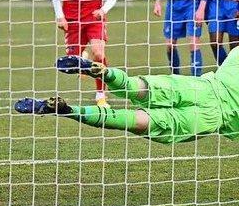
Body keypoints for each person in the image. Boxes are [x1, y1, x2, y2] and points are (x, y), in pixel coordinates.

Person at [14, 51, 239, 144]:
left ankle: (104, 72)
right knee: (140, 121)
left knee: (138, 87)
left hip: (202, 86)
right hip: (215, 115)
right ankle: (68, 110)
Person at [50, 0, 117, 107]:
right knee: (71, 63)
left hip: (95, 18)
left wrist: (103, 10)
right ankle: (82, 57)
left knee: (99, 53)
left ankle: (101, 95)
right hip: (72, 19)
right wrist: (59, 15)